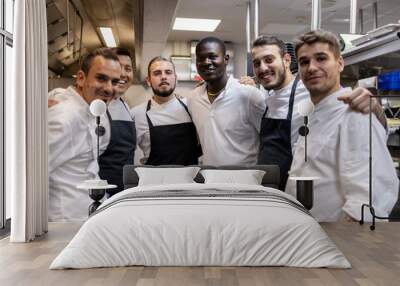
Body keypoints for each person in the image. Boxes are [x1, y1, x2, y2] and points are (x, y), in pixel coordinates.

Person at [242, 35, 387, 190]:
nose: (263, 68)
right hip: (271, 189)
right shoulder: (267, 97)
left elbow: (371, 130)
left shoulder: (310, 92)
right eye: (257, 63)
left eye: (269, 60)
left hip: (305, 189)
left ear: (286, 60)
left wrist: (374, 107)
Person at [285, 29, 398, 222]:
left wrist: (348, 244)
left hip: (337, 241)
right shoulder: (313, 114)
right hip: (309, 233)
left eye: (321, 58)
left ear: (340, 63)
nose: (311, 67)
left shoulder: (356, 113)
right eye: (304, 62)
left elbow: (368, 199)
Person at [48, 48, 136, 197]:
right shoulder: (64, 116)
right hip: (64, 216)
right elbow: (29, 174)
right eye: (101, 78)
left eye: (115, 81)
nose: (109, 88)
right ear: (81, 78)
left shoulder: (113, 107)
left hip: (98, 201)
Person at [187, 37, 265, 166]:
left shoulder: (248, 95)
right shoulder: (192, 98)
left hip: (245, 180)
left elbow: (268, 139)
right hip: (210, 179)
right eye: (200, 58)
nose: (206, 62)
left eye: (212, 56)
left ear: (226, 59)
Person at [131, 57, 200, 165]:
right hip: (154, 180)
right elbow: (124, 153)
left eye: (168, 72)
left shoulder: (192, 107)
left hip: (191, 180)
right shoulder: (137, 114)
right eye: (157, 73)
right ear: (148, 81)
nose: (163, 77)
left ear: (176, 78)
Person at [97, 47, 136, 196]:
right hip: (102, 196)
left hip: (124, 193)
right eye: (118, 67)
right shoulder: (94, 107)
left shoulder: (125, 106)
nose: (124, 74)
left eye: (128, 68)